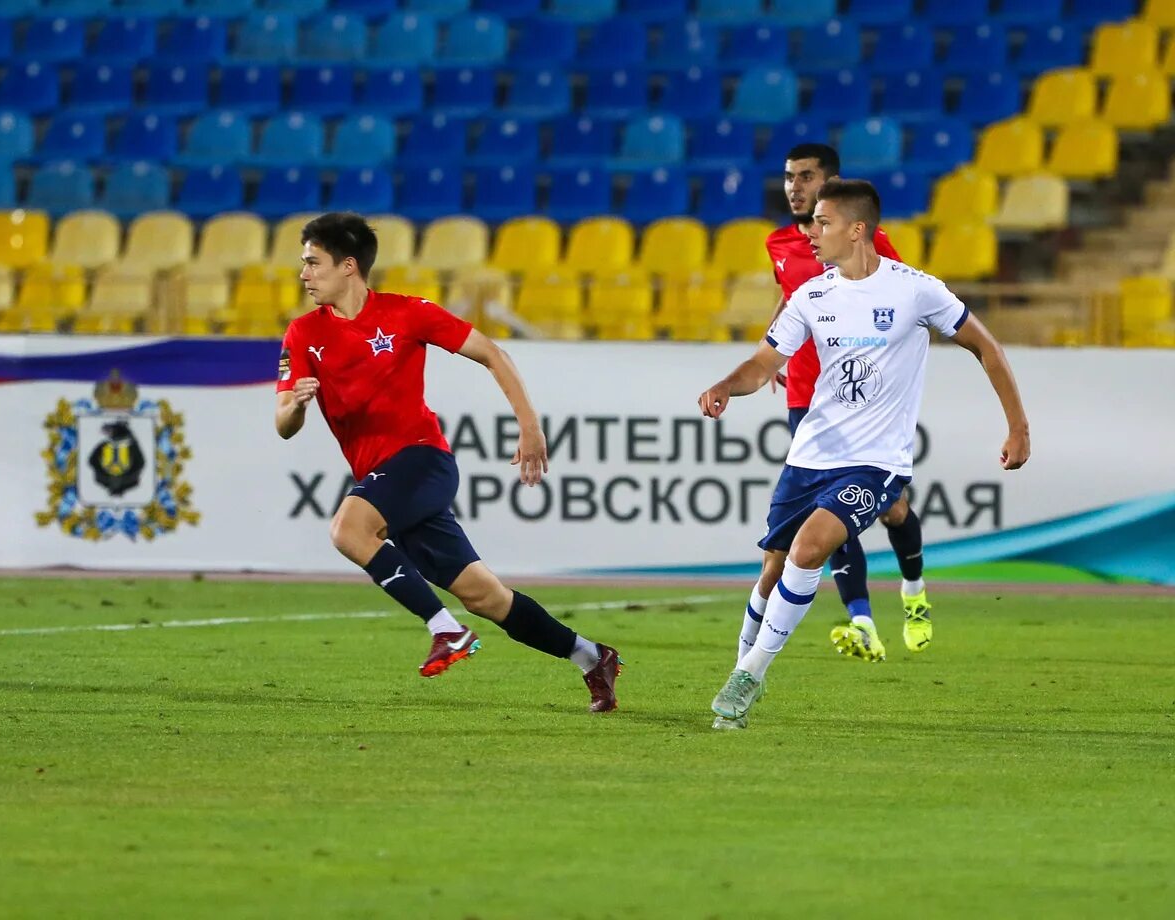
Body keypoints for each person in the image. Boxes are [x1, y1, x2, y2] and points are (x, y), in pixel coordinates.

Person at [700, 179, 1030, 729]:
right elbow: (763, 363)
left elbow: (986, 348)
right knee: (772, 569)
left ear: (857, 229)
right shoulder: (813, 296)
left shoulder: (917, 290)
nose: (810, 234)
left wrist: (1017, 428)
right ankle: (740, 678)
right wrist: (724, 387)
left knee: (810, 548)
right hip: (810, 455)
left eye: (822, 223)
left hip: (877, 462)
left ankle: (751, 673)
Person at [275, 212, 621, 713]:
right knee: (486, 596)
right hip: (386, 480)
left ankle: (446, 630)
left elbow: (493, 354)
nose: (304, 274)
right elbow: (283, 423)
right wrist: (297, 405)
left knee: (348, 530)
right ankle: (592, 657)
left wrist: (530, 427)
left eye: (313, 263)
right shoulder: (302, 333)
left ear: (349, 266)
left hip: (422, 460)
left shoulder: (407, 313)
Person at [750, 142, 931, 667]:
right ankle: (862, 620)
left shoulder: (871, 244)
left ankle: (914, 591)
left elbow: (897, 305)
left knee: (894, 509)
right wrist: (771, 353)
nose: (794, 187)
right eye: (788, 177)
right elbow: (791, 296)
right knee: (827, 515)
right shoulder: (779, 241)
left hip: (868, 402)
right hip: (809, 396)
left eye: (805, 177)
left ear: (829, 183)